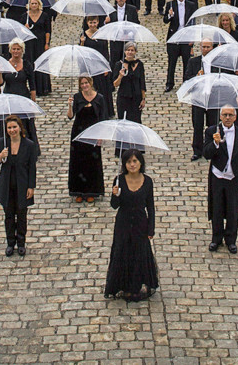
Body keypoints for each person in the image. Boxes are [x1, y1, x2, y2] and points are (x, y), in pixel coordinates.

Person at [105, 149, 159, 301]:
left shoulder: (147, 181)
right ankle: (125, 286)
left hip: (140, 223)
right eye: (129, 162)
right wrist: (114, 194)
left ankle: (136, 286)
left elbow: (150, 206)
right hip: (123, 223)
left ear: (140, 162)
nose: (132, 164)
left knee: (139, 254)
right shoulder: (119, 180)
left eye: (135, 161)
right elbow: (114, 206)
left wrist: (151, 228)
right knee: (123, 253)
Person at [203, 105, 238, 254]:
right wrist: (215, 144)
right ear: (220, 117)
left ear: (235, 117)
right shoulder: (212, 131)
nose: (228, 118)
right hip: (217, 176)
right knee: (217, 208)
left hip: (234, 177)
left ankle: (231, 239)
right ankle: (216, 238)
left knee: (233, 210)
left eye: (230, 115)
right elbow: (206, 154)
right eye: (225, 115)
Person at [0, 115, 39, 257]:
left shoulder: (29, 145)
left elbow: (32, 167)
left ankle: (21, 243)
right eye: (9, 128)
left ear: (20, 128)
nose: (12, 130)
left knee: (21, 215)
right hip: (6, 185)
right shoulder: (3, 143)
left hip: (22, 185)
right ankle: (10, 242)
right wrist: (0, 156)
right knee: (9, 215)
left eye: (14, 127)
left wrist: (31, 187)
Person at [68, 75, 111, 202]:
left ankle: (92, 191)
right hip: (78, 132)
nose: (85, 86)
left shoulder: (100, 98)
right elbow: (70, 116)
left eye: (86, 83)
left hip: (94, 132)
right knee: (78, 161)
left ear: (91, 83)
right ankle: (79, 192)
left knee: (92, 162)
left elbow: (103, 118)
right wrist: (70, 105)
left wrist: (100, 136)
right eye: (82, 84)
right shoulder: (77, 97)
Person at [184, 40, 217, 160]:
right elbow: (187, 78)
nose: (206, 49)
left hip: (213, 97)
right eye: (204, 47)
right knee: (197, 125)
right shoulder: (194, 61)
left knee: (213, 124)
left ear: (212, 48)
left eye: (208, 47)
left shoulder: (217, 63)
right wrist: (196, 77)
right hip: (198, 97)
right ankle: (197, 150)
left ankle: (211, 148)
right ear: (200, 47)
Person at [163, 0, 193, 91]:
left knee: (187, 62)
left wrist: (192, 39)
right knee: (172, 62)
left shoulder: (191, 5)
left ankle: (186, 82)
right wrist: (170, 15)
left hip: (186, 37)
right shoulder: (170, 4)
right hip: (174, 37)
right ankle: (169, 83)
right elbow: (165, 20)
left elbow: (192, 22)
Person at [23, 0, 53, 96]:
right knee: (31, 63)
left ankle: (43, 87)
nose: (34, 5)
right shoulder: (25, 16)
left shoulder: (44, 15)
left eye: (36, 3)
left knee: (41, 63)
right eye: (32, 3)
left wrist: (47, 43)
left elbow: (48, 30)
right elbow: (21, 31)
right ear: (29, 5)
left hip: (40, 41)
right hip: (30, 43)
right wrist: (25, 27)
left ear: (39, 4)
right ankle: (33, 87)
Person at [113, 42, 146, 123]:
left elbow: (142, 82)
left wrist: (143, 99)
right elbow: (115, 84)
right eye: (128, 50)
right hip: (123, 97)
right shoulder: (119, 65)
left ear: (135, 52)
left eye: (132, 50)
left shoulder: (140, 64)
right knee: (122, 121)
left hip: (136, 97)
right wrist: (120, 76)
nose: (130, 52)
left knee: (136, 120)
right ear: (125, 52)